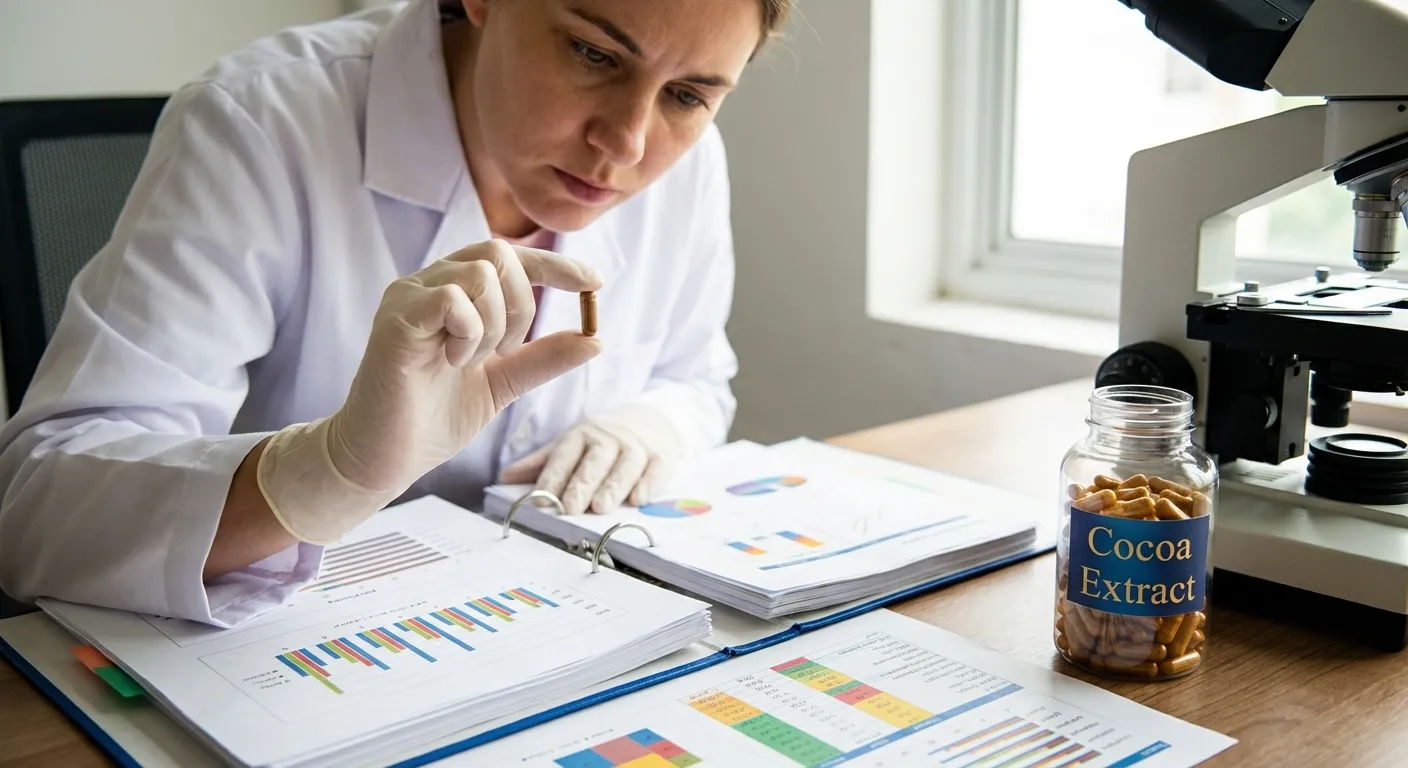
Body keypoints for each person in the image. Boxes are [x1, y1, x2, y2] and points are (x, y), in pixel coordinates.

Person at [0, 0, 790, 627]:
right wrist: (324, 473)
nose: (625, 142)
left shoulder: (690, 166)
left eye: (688, 96)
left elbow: (696, 377)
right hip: (296, 662)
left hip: (541, 626)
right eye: (592, 53)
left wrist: (652, 424)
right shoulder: (261, 121)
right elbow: (33, 508)